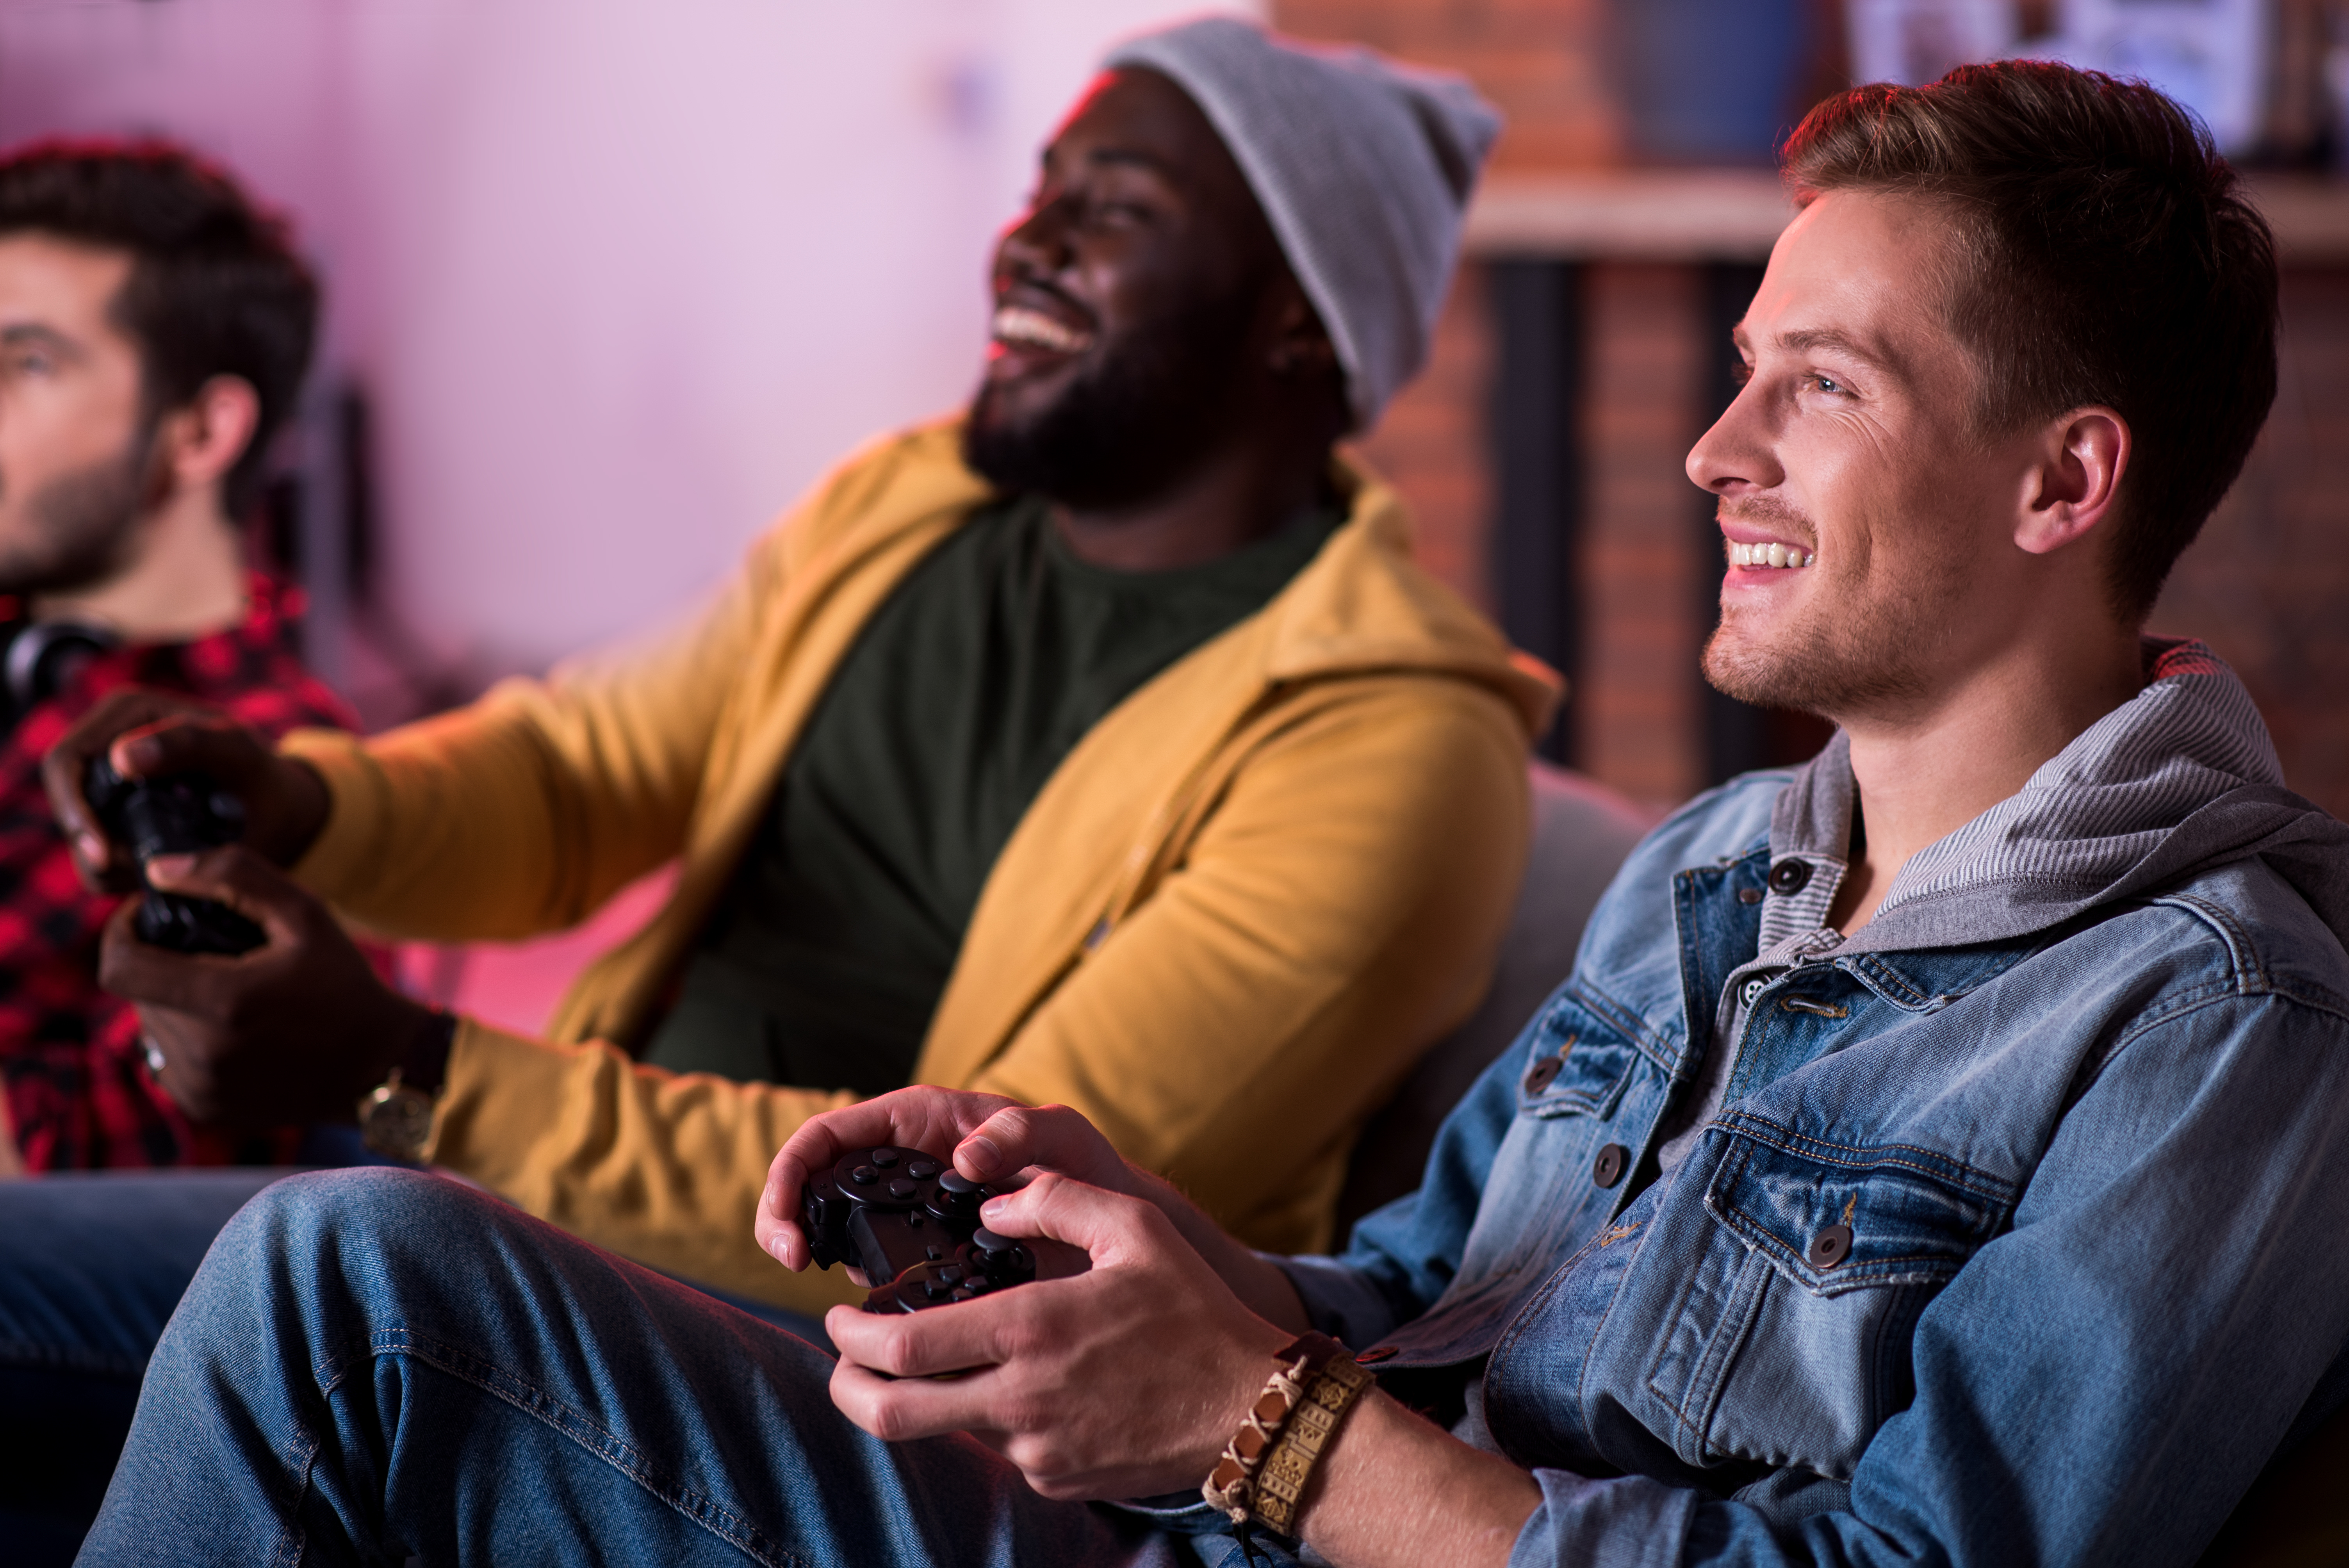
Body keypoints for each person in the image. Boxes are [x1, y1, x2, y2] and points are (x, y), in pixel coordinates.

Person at [78, 57, 2349, 1568]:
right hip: (1218, 1524)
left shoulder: (2227, 1020)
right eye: (1739, 369)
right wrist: (1146, 1242)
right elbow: (1445, 1295)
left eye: (1819, 390)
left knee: (345, 1280)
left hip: (1246, 1520)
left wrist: (1259, 1422)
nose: (1711, 452)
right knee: (337, 1278)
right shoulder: (1717, 870)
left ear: (2067, 481)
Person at [39, 24, 1551, 1304]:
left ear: (1298, 321)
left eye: (1118, 210)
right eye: (1042, 192)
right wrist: (296, 807)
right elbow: (583, 775)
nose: (1026, 242)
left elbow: (985, 1203)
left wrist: (407, 1077)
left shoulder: (1389, 736)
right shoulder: (912, 504)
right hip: (533, 1212)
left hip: (848, 1370)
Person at [0, 143, 355, 1174]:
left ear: (200, 430)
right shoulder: (30, 668)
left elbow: (133, 1165)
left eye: (27, 364)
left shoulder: (285, 763)